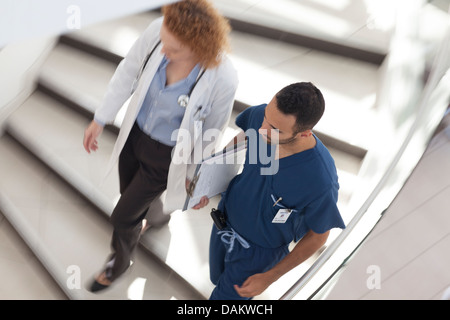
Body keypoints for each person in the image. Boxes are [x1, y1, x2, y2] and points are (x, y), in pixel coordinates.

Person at [83, 0, 238, 292]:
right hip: (135, 135)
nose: (164, 52)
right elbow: (128, 71)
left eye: (174, 50)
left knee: (123, 215)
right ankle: (157, 217)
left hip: (167, 155)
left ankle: (120, 262)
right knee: (128, 192)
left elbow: (211, 132)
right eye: (164, 43)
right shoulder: (160, 32)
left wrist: (196, 177)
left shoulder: (223, 78)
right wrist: (101, 118)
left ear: (199, 45)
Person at [208, 82, 346, 300]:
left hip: (256, 255)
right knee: (216, 278)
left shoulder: (319, 180)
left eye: (275, 129)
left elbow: (318, 237)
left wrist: (269, 277)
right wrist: (207, 183)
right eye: (266, 117)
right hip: (223, 221)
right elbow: (242, 140)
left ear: (304, 133)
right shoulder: (262, 118)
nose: (263, 128)